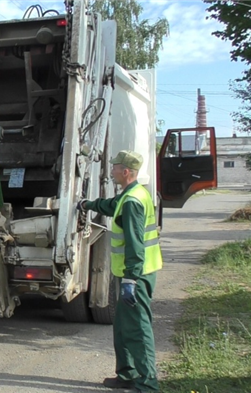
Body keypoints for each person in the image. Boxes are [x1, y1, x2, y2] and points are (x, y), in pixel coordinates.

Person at [77, 150, 162, 393]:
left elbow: (136, 245)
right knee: (123, 326)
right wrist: (87, 204)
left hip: (137, 274)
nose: (111, 171)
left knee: (137, 327)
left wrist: (131, 280)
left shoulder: (134, 201)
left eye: (114, 167)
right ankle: (127, 375)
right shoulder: (128, 195)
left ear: (126, 172)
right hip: (129, 272)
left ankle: (148, 384)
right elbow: (110, 205)